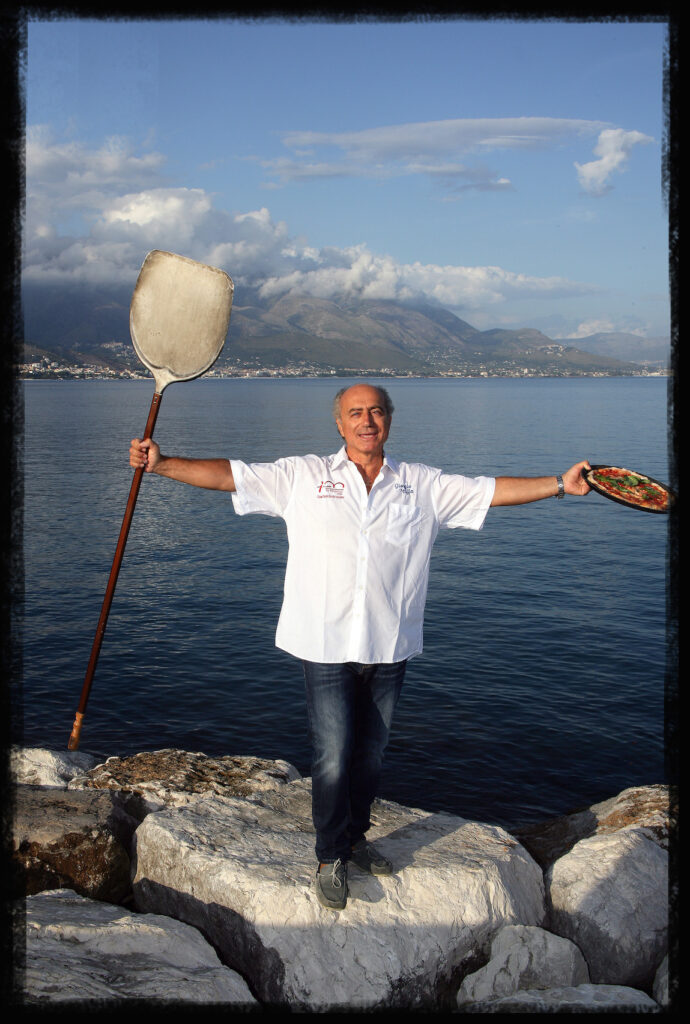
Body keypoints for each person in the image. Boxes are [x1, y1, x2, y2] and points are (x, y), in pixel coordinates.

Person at [129, 382, 591, 911]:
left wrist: (559, 483)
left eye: (375, 411)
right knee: (332, 755)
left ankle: (354, 837)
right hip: (322, 640)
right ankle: (329, 856)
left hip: (389, 643)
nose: (366, 420)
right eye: (356, 412)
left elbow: (492, 490)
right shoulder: (304, 476)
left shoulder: (422, 484)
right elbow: (230, 473)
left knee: (370, 754)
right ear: (340, 424)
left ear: (388, 421)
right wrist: (161, 464)